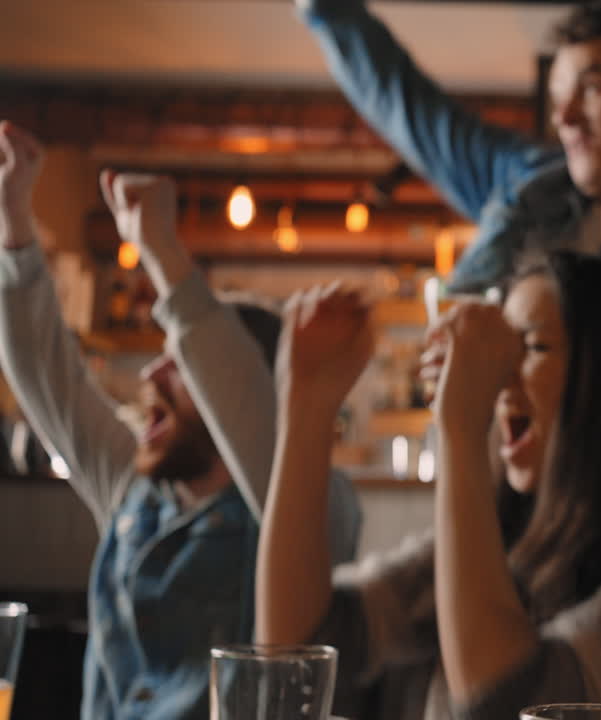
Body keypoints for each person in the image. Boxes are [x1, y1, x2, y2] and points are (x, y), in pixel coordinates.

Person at [295, 0, 601, 491]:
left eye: (592, 89)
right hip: (484, 517)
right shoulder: (524, 182)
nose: (565, 118)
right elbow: (406, 105)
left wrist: (560, 380)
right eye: (559, 96)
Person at [257, 251, 601, 720]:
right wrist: (307, 405)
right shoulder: (507, 532)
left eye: (533, 347)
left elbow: (504, 704)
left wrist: (461, 431)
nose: (496, 375)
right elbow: (297, 650)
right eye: (499, 351)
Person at [0, 122, 361, 720]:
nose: (150, 376)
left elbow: (246, 404)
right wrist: (14, 222)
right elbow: (48, 378)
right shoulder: (135, 488)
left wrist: (162, 252)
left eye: (182, 365)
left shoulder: (303, 509)